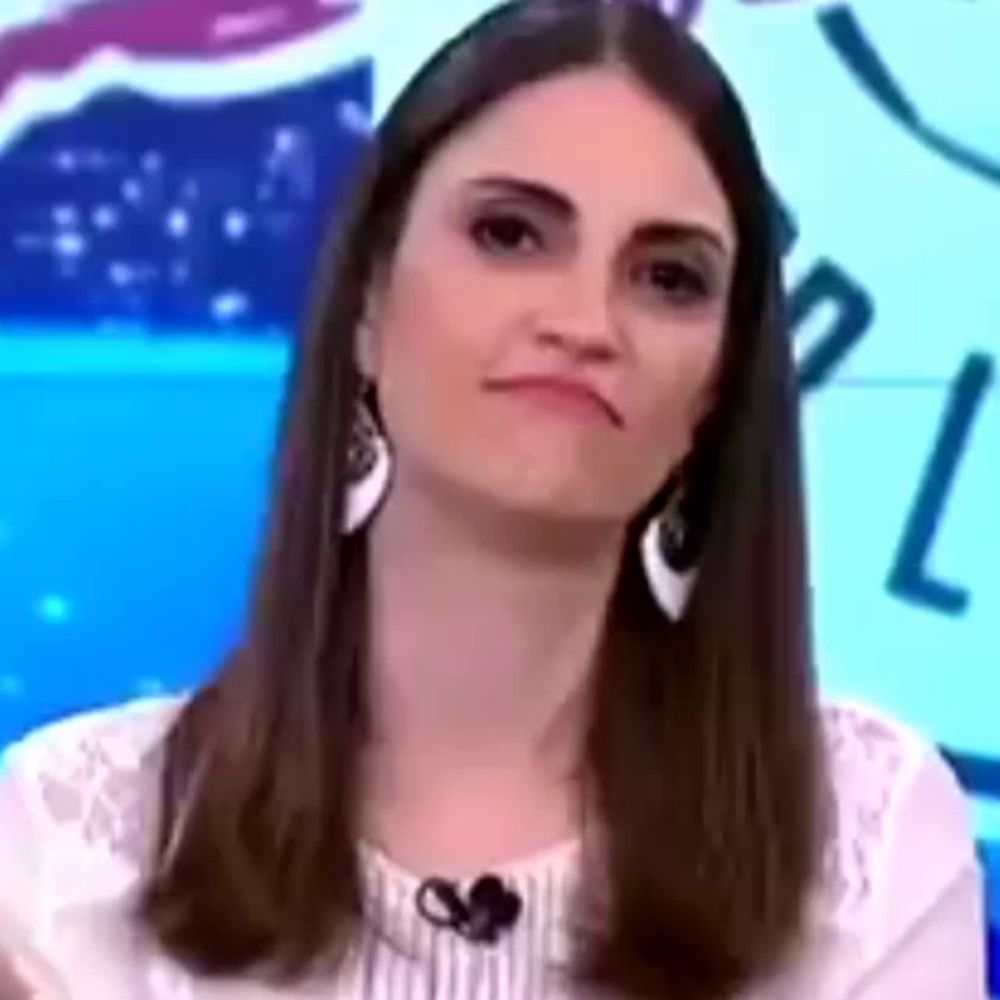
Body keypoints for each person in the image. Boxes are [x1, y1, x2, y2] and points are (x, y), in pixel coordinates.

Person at [0, 1, 987, 997]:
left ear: (716, 390)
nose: (584, 320)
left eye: (668, 277)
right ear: (370, 303)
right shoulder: (75, 846)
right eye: (510, 233)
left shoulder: (865, 839)